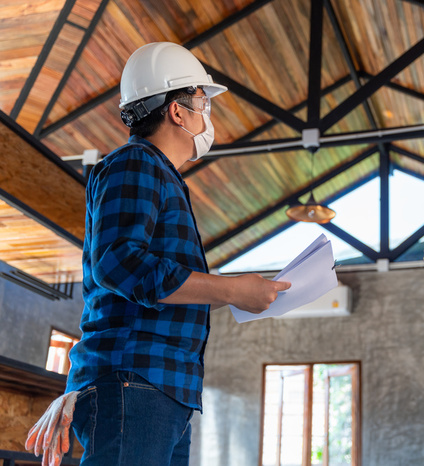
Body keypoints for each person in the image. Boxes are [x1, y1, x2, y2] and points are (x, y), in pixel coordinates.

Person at [25, 42, 290, 466]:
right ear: (177, 111)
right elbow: (119, 264)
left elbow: (148, 284)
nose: (207, 115)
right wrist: (230, 290)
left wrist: (235, 293)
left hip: (159, 387)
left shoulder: (159, 175)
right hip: (137, 381)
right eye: (202, 102)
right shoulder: (136, 163)